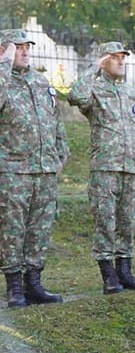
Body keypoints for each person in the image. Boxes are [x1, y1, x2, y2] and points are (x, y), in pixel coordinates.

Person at [67, 41, 135, 294]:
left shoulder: (131, 92)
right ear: (104, 60)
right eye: (115, 57)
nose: (121, 61)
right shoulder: (94, 88)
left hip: (132, 168)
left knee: (128, 221)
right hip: (106, 166)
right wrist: (94, 68)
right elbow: (75, 96)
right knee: (105, 221)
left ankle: (125, 271)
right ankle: (108, 275)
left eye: (122, 58)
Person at [0, 29, 69, 307]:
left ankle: (34, 283)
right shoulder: (3, 82)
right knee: (11, 230)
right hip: (13, 171)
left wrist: (61, 153)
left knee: (40, 229)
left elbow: (56, 120)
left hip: (44, 171)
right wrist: (3, 64)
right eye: (18, 47)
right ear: (4, 51)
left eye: (27, 46)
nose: (25, 51)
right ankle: (14, 287)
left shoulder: (41, 83)